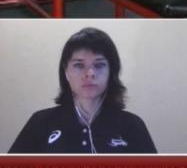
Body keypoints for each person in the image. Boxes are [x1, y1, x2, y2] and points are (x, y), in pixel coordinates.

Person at [8, 27, 157, 154]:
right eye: (79, 65)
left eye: (99, 65)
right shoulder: (40, 122)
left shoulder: (132, 125)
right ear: (66, 71)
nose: (90, 73)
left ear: (111, 71)